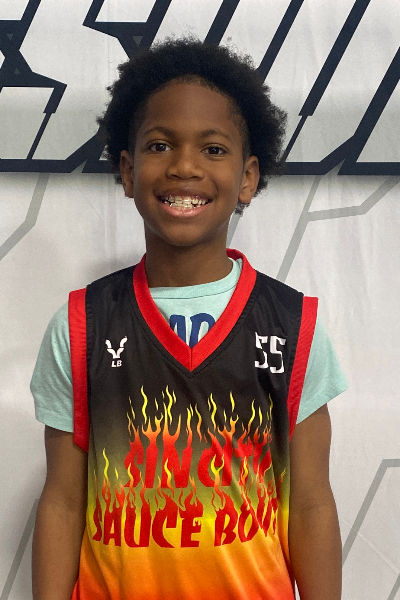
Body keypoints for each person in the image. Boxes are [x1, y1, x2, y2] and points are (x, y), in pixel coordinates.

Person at [31, 39, 347, 600]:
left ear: (248, 177)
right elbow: (62, 501)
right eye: (160, 145)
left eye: (213, 149)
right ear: (128, 171)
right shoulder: (80, 326)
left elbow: (312, 504)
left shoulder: (293, 326)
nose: (184, 166)